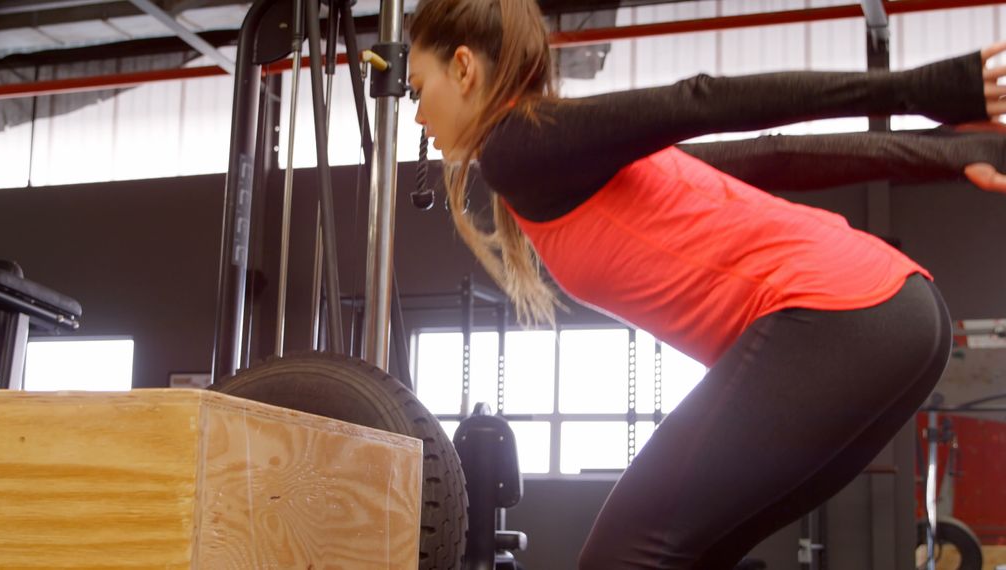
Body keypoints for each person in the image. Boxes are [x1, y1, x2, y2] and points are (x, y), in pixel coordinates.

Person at [406, 0, 1006, 568]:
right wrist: (949, 155)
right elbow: (774, 157)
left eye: (417, 88)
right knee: (692, 554)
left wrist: (927, 91)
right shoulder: (587, 162)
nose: (417, 115)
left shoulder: (515, 147)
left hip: (837, 315)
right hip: (900, 316)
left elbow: (701, 99)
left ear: (462, 68)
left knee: (620, 557)